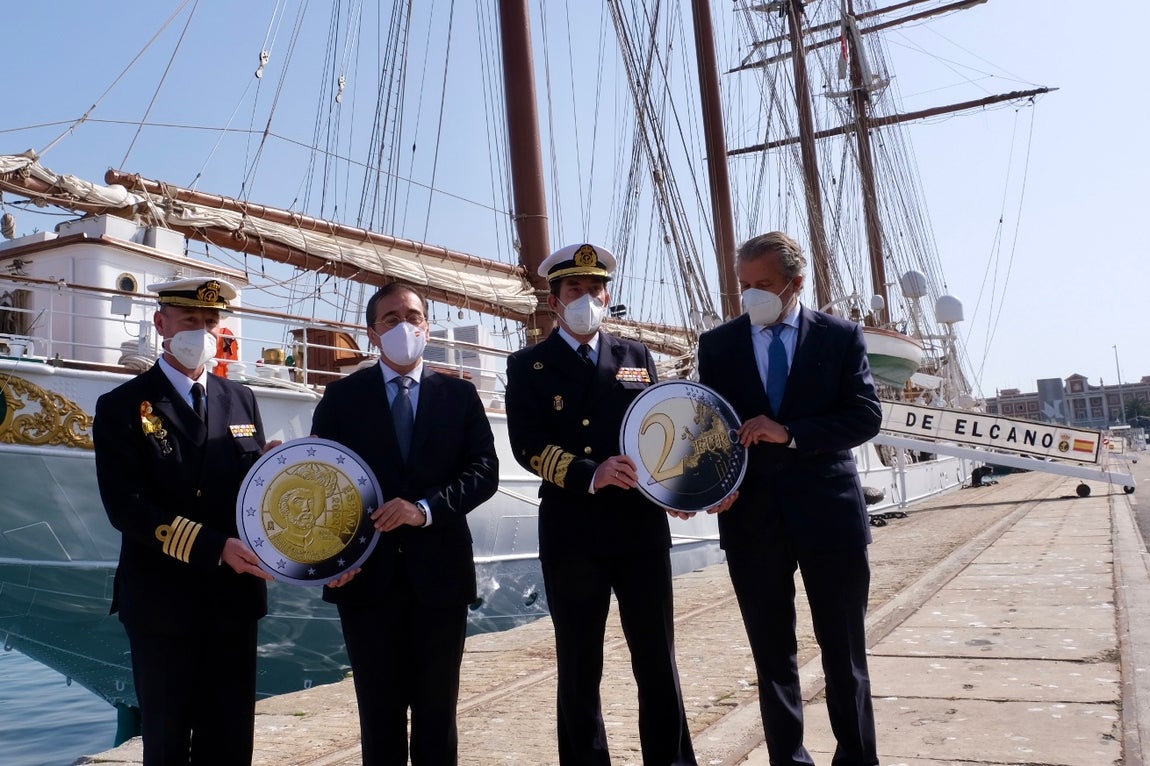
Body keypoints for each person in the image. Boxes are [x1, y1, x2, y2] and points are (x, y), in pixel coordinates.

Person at [504, 242, 697, 766]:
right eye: (574, 289)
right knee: (580, 663)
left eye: (594, 288)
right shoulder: (529, 365)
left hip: (639, 525)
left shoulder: (635, 356)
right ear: (555, 299)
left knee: (657, 658)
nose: (586, 297)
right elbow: (526, 445)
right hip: (574, 530)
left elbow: (662, 428)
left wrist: (677, 488)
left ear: (607, 295)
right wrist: (590, 473)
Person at [696, 231, 883, 766]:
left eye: (764, 285)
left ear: (796, 284)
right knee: (772, 654)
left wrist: (790, 431)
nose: (752, 294)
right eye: (744, 286)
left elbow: (865, 415)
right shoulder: (719, 345)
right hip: (751, 518)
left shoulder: (840, 336)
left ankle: (856, 757)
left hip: (830, 516)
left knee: (844, 654)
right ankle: (789, 759)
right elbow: (711, 429)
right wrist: (714, 483)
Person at [311, 282, 499, 766]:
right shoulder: (340, 398)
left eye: (413, 317)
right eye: (390, 319)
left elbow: (484, 473)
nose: (404, 326)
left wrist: (425, 508)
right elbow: (318, 482)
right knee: (379, 718)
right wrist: (328, 559)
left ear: (428, 326)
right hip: (365, 578)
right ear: (373, 334)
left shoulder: (459, 395)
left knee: (438, 716)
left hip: (440, 578)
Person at [93, 276, 275, 766]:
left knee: (231, 740)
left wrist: (273, 474)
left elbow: (245, 494)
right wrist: (215, 546)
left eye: (211, 322)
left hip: (234, 599)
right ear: (162, 323)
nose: (202, 331)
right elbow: (125, 507)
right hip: (162, 600)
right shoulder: (123, 406)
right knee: (169, 741)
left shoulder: (240, 399)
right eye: (190, 321)